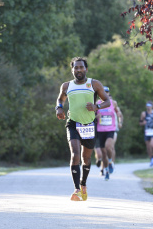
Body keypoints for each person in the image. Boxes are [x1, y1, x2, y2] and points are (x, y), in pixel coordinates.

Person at [56, 57, 110, 201]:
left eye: (81, 67)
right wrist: (58, 108)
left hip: (89, 125)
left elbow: (107, 101)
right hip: (73, 123)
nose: (78, 70)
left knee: (86, 158)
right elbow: (60, 99)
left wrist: (96, 106)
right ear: (72, 70)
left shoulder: (94, 84)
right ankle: (76, 189)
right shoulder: (66, 86)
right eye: (76, 68)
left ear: (86, 69)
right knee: (75, 154)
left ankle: (83, 184)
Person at [95, 86, 121, 180]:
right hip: (100, 130)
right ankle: (106, 171)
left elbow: (119, 114)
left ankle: (110, 162)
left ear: (109, 93)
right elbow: (92, 117)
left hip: (111, 129)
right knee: (103, 154)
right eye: (102, 92)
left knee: (108, 147)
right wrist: (96, 116)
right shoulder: (97, 103)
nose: (104, 93)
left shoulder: (113, 103)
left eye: (106, 92)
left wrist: (120, 120)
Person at [139, 101, 153, 167]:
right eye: (147, 105)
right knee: (148, 147)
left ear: (152, 106)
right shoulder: (143, 113)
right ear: (146, 106)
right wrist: (143, 123)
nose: (148, 106)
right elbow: (140, 123)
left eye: (150, 105)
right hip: (147, 131)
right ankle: (151, 159)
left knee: (152, 145)